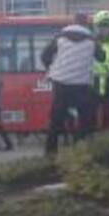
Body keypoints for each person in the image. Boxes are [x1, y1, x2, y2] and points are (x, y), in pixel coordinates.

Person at [40, 14, 102, 154]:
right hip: (81, 85)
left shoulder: (59, 38)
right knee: (84, 119)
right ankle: (80, 150)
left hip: (61, 84)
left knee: (56, 119)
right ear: (86, 24)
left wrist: (51, 68)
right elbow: (101, 57)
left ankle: (50, 152)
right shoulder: (92, 40)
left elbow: (44, 56)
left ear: (74, 22)